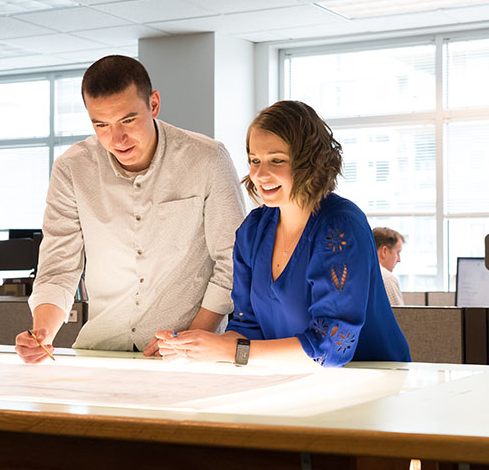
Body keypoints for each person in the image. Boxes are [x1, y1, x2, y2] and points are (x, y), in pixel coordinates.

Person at [15, 55, 245, 363]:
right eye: (101, 125)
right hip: (101, 352)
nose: (116, 139)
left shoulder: (207, 159)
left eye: (127, 120)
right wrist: (41, 333)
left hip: (192, 356)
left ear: (153, 104)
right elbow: (59, 269)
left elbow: (232, 263)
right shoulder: (72, 169)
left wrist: (187, 341)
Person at [155, 100, 410, 367]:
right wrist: (190, 346)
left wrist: (228, 351)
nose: (260, 174)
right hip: (297, 383)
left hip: (373, 382)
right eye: (255, 160)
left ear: (308, 162)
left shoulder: (340, 225)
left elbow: (330, 348)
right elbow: (247, 329)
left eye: (276, 160)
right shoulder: (253, 230)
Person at [373, 227, 405, 306]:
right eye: (397, 253)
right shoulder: (386, 277)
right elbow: (400, 315)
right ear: (384, 251)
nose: (399, 260)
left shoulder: (358, 272)